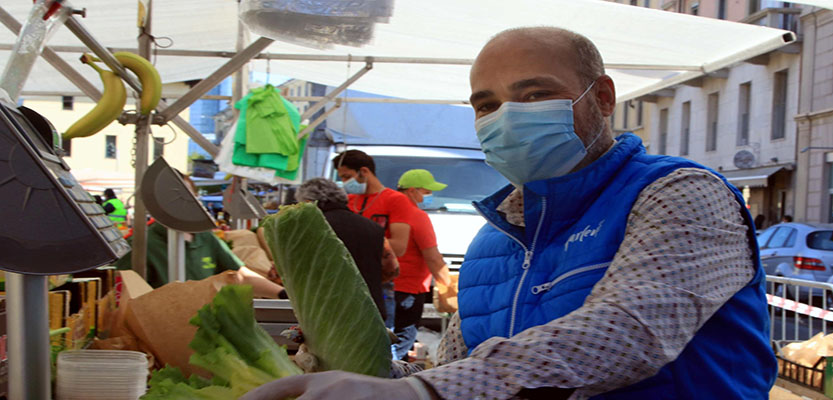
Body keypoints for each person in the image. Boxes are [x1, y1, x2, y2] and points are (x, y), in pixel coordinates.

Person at [242, 27, 775, 400]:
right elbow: (459, 375)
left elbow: (626, 334)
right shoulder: (490, 242)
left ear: (604, 97)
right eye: (486, 105)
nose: (507, 117)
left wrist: (417, 391)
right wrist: (359, 369)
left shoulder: (681, 194)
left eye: (536, 94)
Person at [116, 173, 285, 299]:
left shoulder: (205, 238)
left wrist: (282, 294)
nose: (185, 203)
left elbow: (240, 275)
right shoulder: (141, 246)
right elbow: (125, 295)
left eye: (190, 196)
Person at [333, 150, 413, 328]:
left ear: (364, 171)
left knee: (380, 335)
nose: (345, 182)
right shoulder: (347, 200)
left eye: (347, 176)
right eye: (342, 178)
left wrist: (358, 243)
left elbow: (399, 246)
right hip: (345, 280)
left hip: (378, 281)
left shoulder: (396, 200)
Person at [294, 178, 389, 320]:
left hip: (328, 313)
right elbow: (392, 269)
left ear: (308, 202)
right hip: (371, 310)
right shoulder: (373, 227)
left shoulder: (307, 229)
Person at [391, 169, 452, 361]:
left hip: (381, 287)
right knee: (401, 341)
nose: (429, 196)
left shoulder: (384, 212)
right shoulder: (416, 216)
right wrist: (448, 287)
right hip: (408, 290)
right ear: (411, 191)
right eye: (426, 192)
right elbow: (433, 258)